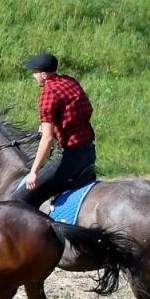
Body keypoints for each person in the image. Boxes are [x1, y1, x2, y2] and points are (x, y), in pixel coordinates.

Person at [18, 52, 97, 209]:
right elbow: (77, 113)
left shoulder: (49, 94)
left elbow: (47, 140)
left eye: (34, 73)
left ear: (44, 74)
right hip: (89, 152)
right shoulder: (70, 81)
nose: (33, 76)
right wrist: (56, 128)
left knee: (21, 197)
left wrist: (33, 172)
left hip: (69, 159)